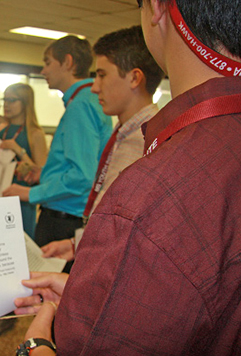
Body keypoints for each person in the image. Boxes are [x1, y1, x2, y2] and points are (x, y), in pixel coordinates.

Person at [14, 0, 241, 356]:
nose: (97, 86)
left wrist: (35, 346)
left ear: (157, 8)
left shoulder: (154, 192)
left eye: (102, 75)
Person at [41, 25, 164, 262]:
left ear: (134, 78)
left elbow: (128, 236)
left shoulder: (148, 142)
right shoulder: (124, 134)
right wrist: (76, 244)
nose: (95, 86)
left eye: (102, 75)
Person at [3, 36, 112, 268]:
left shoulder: (80, 105)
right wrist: (43, 174)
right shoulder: (87, 100)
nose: (43, 70)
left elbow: (82, 176)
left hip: (64, 219)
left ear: (68, 62)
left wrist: (29, 194)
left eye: (48, 62)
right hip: (72, 215)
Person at [0, 83, 48, 338]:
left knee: (13, 260)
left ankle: (9, 313)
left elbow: (43, 176)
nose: (7, 104)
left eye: (13, 100)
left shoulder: (35, 134)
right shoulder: (2, 128)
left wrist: (18, 151)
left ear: (26, 103)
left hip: (19, 205)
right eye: (4, 99)